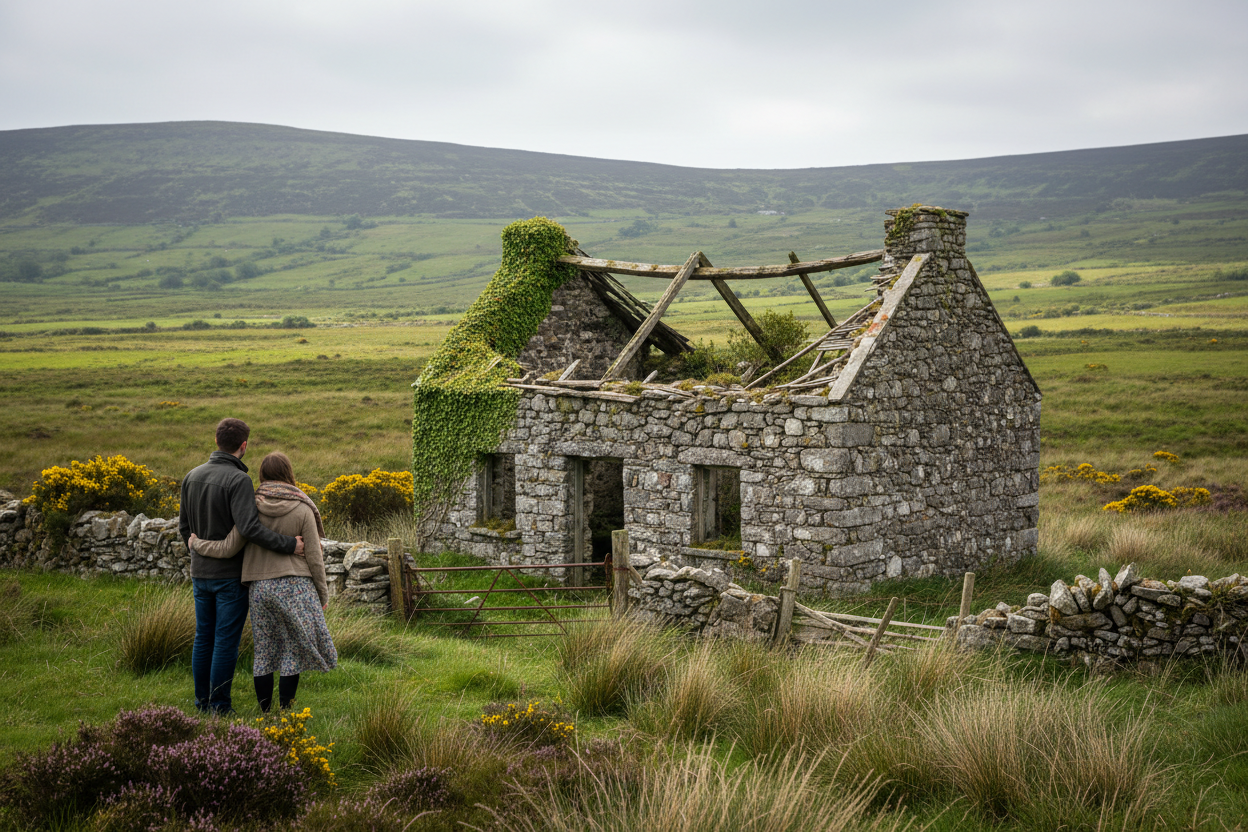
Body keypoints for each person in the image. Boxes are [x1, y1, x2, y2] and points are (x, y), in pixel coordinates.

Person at [190, 451, 337, 712]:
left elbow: (228, 547)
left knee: (265, 651)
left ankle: (265, 712)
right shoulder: (303, 508)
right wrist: (323, 595)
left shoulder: (251, 507)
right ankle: (286, 713)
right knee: (292, 651)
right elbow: (314, 557)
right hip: (296, 586)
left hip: (260, 588)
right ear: (288, 473)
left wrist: (196, 543)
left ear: (262, 475)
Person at [180, 418, 303, 715]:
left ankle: (202, 703)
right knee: (224, 642)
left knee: (203, 637)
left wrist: (197, 547)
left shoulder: (191, 476)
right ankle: (220, 706)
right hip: (230, 577)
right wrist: (290, 545)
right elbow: (249, 528)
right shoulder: (238, 481)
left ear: (216, 440)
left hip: (200, 574)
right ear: (243, 446)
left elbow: (184, 528)